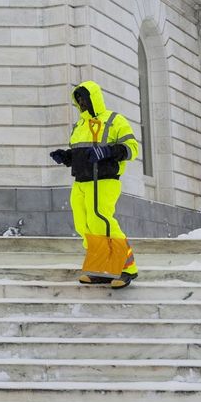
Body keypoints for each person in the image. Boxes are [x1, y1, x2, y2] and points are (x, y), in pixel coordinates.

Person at [49, 80, 141, 288]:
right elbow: (83, 154)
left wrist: (108, 151)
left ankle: (127, 268)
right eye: (78, 99)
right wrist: (67, 157)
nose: (81, 103)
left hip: (104, 180)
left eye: (84, 98)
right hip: (81, 181)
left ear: (94, 99)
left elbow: (132, 148)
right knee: (84, 224)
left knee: (101, 219)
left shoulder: (114, 120)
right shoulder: (79, 126)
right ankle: (102, 269)